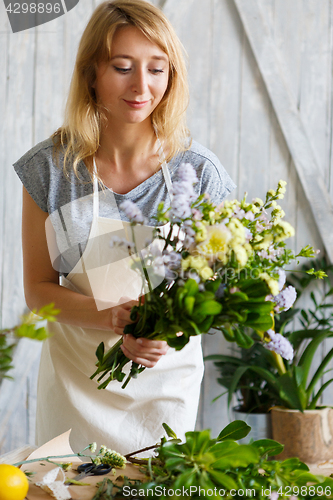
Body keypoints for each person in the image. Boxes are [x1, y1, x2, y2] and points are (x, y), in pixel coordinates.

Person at [14, 0, 236, 454]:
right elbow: (37, 290)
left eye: (157, 69)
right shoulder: (50, 170)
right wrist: (111, 318)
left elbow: (220, 289)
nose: (141, 86)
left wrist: (165, 328)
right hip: (76, 382)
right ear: (91, 72)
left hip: (163, 388)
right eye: (122, 66)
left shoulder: (200, 174)